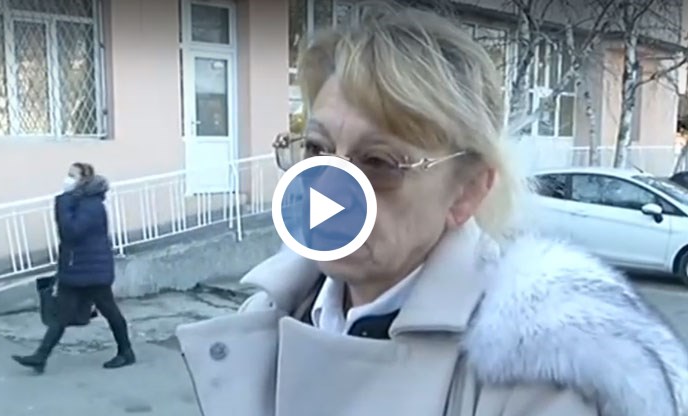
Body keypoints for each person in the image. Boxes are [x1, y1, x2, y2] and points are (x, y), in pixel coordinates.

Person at [176, 4, 688, 416]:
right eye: (316, 149)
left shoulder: (538, 378)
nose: (329, 185)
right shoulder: (269, 311)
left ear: (466, 192)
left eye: (378, 161)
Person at [12, 162, 135, 373]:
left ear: (83, 181)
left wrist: (63, 201)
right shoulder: (80, 202)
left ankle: (126, 352)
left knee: (110, 311)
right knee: (61, 315)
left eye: (72, 176)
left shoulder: (91, 205)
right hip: (76, 269)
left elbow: (70, 232)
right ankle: (40, 357)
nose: (67, 179)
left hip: (92, 271)